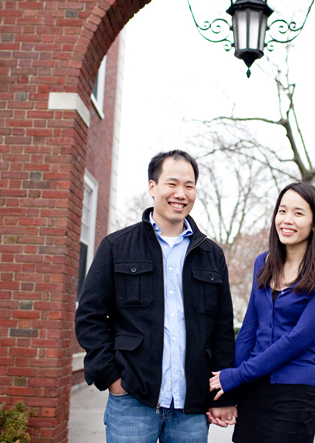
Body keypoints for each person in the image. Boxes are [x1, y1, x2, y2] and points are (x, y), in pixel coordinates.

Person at [76, 150, 238, 443]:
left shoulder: (211, 255)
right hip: (132, 401)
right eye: (172, 183)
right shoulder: (117, 246)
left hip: (191, 407)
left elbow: (222, 333)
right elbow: (90, 318)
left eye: (189, 185)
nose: (181, 193)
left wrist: (221, 395)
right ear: (152, 187)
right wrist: (113, 379)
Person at [208, 182, 315, 443]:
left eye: (298, 213)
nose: (287, 220)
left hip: (296, 393)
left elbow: (300, 337)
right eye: (282, 211)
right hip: (254, 390)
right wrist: (231, 390)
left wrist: (238, 374)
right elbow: (249, 330)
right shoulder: (263, 262)